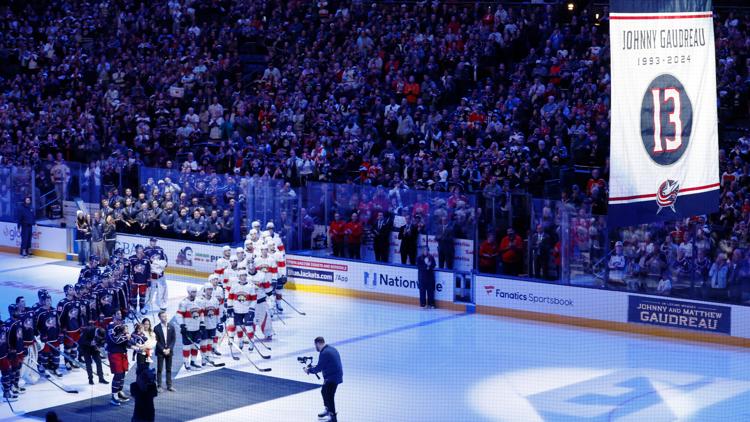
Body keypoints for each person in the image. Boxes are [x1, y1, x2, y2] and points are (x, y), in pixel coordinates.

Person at [304, 337, 343, 422]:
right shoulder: (331, 349)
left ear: (318, 343)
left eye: (315, 345)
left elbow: (318, 368)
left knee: (329, 396)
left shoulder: (324, 353)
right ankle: (328, 409)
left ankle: (333, 417)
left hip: (332, 377)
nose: (315, 347)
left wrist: (308, 370)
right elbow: (323, 365)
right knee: (324, 391)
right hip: (335, 375)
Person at [177, 285, 205, 371]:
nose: (195, 293)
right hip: (188, 328)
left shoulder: (199, 302)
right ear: (188, 292)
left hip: (196, 328)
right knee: (187, 347)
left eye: (195, 292)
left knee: (195, 346)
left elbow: (201, 314)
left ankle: (193, 362)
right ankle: (186, 363)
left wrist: (202, 324)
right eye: (193, 292)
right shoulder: (183, 303)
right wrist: (182, 325)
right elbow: (179, 315)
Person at [145, 238, 168, 313]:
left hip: (161, 276)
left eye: (155, 241)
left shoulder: (160, 249)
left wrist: (160, 265)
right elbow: (147, 263)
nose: (153, 243)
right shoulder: (146, 250)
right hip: (152, 277)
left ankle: (161, 305)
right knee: (150, 291)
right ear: (150, 241)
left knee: (162, 291)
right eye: (152, 241)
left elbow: (165, 261)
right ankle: (147, 305)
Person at [154, 311, 176, 392]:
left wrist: (169, 349)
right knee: (159, 369)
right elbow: (156, 341)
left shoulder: (171, 327)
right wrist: (163, 349)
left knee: (168, 369)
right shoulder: (156, 328)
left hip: (169, 351)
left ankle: (169, 385)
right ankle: (159, 385)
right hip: (161, 351)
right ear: (159, 318)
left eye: (166, 316)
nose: (165, 318)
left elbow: (173, 340)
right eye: (163, 316)